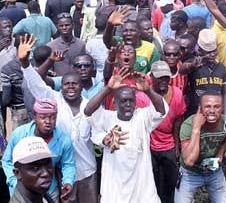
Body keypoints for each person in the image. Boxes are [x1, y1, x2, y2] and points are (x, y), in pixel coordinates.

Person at [19, 35, 98, 203]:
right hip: (61, 173)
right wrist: (25, 62)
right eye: (66, 84)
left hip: (87, 171)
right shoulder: (53, 100)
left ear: (80, 86)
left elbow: (100, 133)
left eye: (74, 84)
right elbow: (34, 82)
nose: (70, 87)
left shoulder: (91, 107)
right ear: (60, 86)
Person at [84, 66, 167, 203]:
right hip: (114, 187)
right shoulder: (107, 118)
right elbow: (88, 111)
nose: (128, 104)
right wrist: (108, 89)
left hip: (142, 188)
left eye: (131, 100)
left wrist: (148, 90)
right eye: (123, 101)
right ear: (114, 103)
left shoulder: (142, 117)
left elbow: (161, 110)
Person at [2, 98, 75, 202]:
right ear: (34, 117)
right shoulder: (19, 134)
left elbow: (68, 164)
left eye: (52, 117)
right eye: (43, 117)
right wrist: (13, 181)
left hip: (49, 189)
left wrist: (68, 181)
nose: (48, 122)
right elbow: (7, 161)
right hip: (23, 189)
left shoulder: (64, 140)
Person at [174, 91, 226, 203]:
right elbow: (189, 161)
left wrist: (220, 156)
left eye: (217, 107)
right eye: (207, 106)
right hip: (190, 173)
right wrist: (196, 128)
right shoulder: (188, 125)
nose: (212, 111)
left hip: (214, 172)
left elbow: (224, 140)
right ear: (200, 108)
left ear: (222, 108)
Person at [148, 61, 186, 203]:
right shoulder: (145, 95)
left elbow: (178, 120)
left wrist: (177, 145)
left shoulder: (177, 94)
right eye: (159, 78)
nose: (163, 81)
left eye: (166, 77)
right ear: (151, 77)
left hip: (168, 144)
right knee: (153, 182)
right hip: (150, 145)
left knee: (170, 183)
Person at [179, 29, 226, 116]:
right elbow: (181, 70)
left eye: (214, 51)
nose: (212, 55)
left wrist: (224, 113)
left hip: (215, 113)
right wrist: (192, 66)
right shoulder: (194, 63)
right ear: (200, 51)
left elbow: (224, 92)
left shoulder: (221, 67)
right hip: (196, 112)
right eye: (209, 52)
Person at [103, 6, 160, 73]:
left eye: (132, 30)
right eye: (125, 31)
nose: (128, 33)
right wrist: (110, 25)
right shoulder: (119, 43)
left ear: (139, 33)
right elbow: (107, 40)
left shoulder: (150, 48)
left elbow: (154, 72)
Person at [8, 136, 55, 203]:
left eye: (48, 164)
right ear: (17, 173)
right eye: (35, 168)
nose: (45, 173)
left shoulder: (39, 194)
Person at [1, 34, 30, 130]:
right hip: (35, 109)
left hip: (18, 111)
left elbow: (6, 98)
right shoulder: (35, 64)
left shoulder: (7, 69)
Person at [0, 18, 16, 122]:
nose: (8, 29)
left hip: (15, 84)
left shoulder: (17, 42)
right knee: (2, 115)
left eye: (10, 26)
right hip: (1, 86)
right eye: (5, 27)